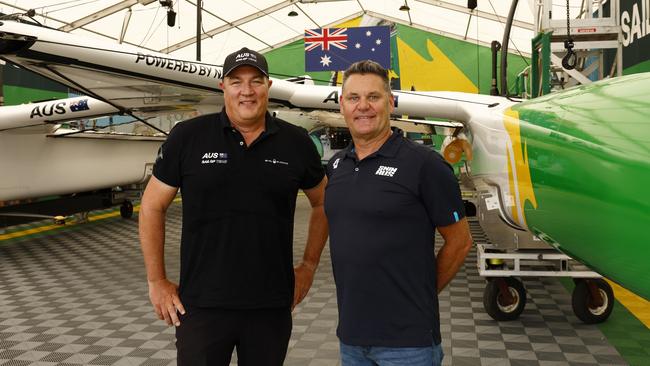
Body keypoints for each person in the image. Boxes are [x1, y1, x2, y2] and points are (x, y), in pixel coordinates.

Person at [138, 47, 328, 366]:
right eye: (236, 81)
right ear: (222, 86)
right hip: (200, 306)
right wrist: (156, 281)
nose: (247, 90)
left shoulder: (296, 143)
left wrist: (308, 266)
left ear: (268, 86)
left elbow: (323, 202)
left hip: (271, 307)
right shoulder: (188, 137)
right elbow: (151, 206)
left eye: (256, 81)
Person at [324, 60, 473, 366]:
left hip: (409, 343)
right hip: (351, 339)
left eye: (373, 97)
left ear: (390, 103)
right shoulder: (337, 166)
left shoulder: (425, 165)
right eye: (353, 98)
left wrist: (422, 295)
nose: (363, 106)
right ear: (342, 105)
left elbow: (460, 242)